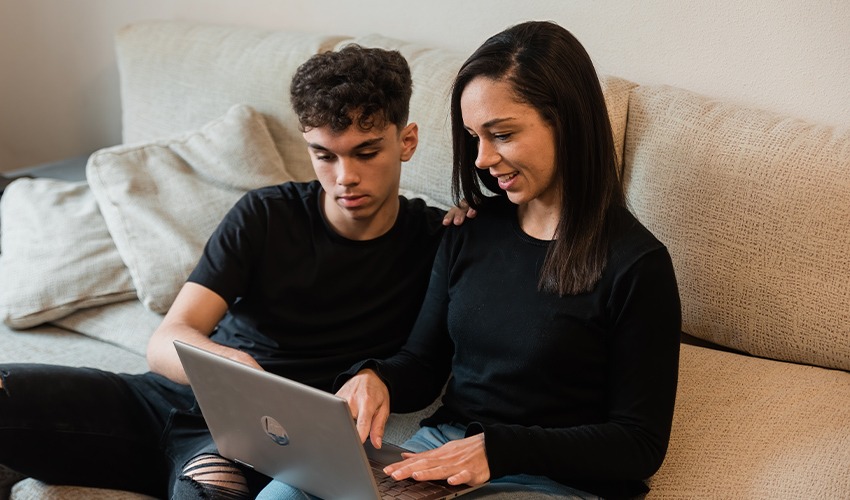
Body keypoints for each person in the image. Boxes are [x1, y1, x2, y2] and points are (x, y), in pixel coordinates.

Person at [0, 44, 470, 500]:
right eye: (324, 155)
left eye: (366, 152)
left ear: (406, 141)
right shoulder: (265, 214)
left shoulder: (439, 241)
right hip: (164, 400)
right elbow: (167, 340)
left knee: (210, 483)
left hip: (261, 436)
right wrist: (226, 362)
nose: (344, 176)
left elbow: (424, 367)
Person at [261, 20, 681, 500]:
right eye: (473, 136)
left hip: (554, 481)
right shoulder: (470, 230)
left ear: (565, 121)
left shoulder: (637, 265)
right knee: (285, 494)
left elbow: (639, 443)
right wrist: (374, 377)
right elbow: (422, 364)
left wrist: (497, 450)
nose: (481, 159)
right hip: (443, 450)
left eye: (501, 134)